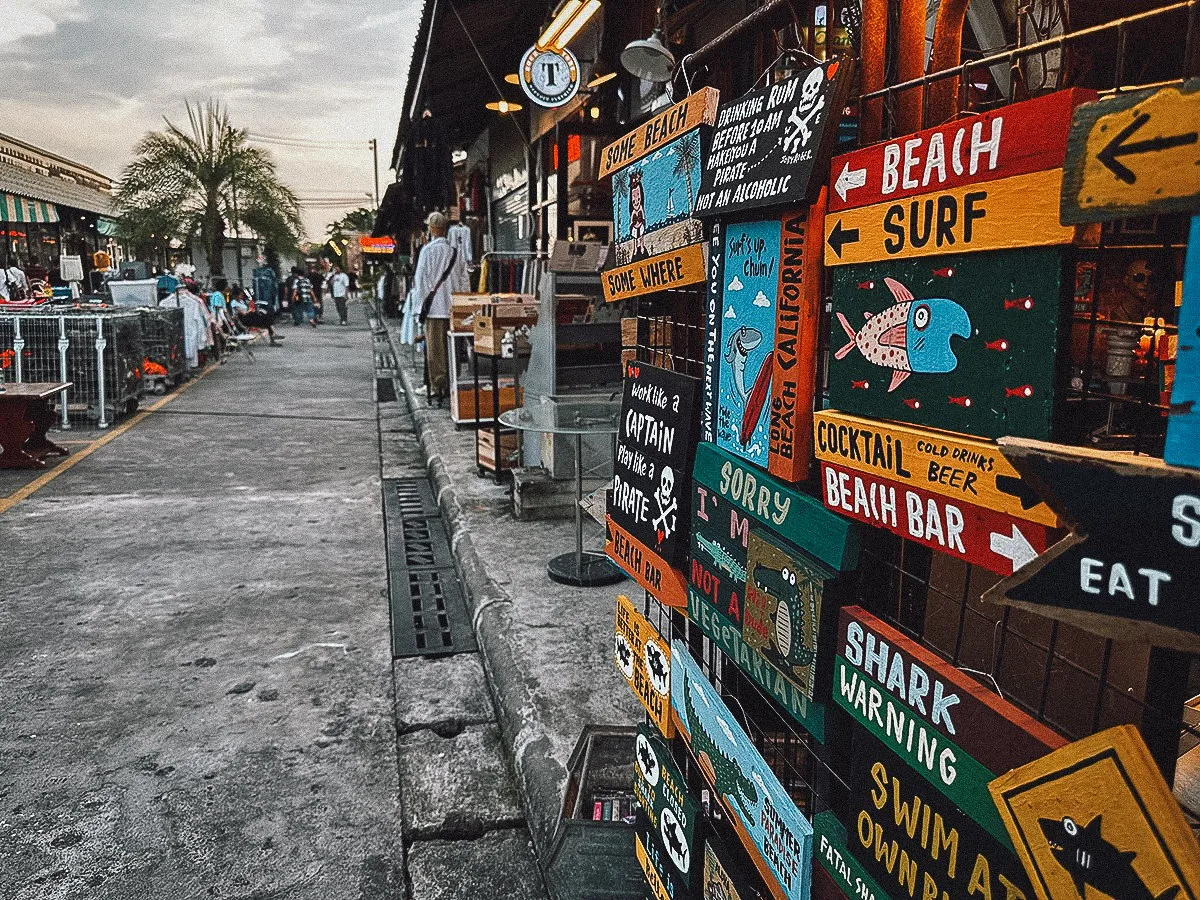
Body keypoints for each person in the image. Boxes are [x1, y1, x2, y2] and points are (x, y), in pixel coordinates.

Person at [412, 211, 459, 405]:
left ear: (431, 229)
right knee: (453, 350)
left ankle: (438, 386)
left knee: (435, 351)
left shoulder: (427, 251)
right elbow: (463, 280)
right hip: (453, 309)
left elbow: (421, 281)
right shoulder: (455, 251)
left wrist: (418, 308)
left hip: (434, 309)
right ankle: (453, 385)